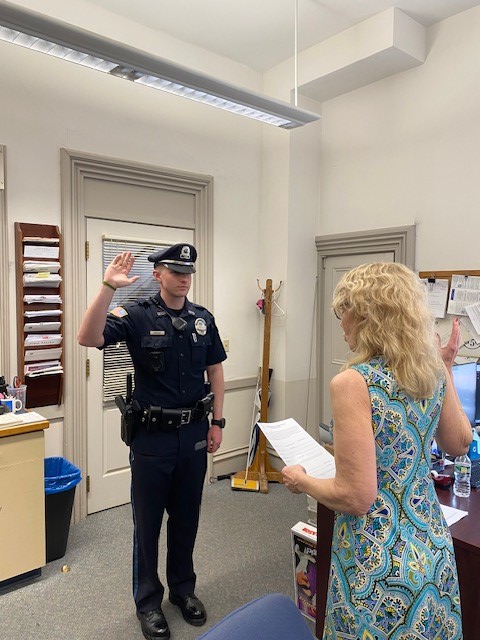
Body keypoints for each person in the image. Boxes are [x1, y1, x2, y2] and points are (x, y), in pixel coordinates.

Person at [281, 262, 472, 640]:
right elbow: (459, 443)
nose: (341, 323)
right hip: (430, 547)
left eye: (344, 311)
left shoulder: (353, 382)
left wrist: (302, 480)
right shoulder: (429, 370)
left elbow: (355, 497)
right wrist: (446, 367)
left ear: (369, 314)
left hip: (378, 560)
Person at [77, 244, 227, 640]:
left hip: (194, 436)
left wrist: (218, 422)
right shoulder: (136, 315)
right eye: (175, 270)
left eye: (188, 271)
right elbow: (87, 336)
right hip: (152, 440)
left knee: (186, 519)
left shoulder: (202, 319)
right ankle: (148, 602)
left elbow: (215, 371)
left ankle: (183, 590)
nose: (184, 278)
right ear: (158, 273)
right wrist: (109, 285)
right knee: (147, 525)